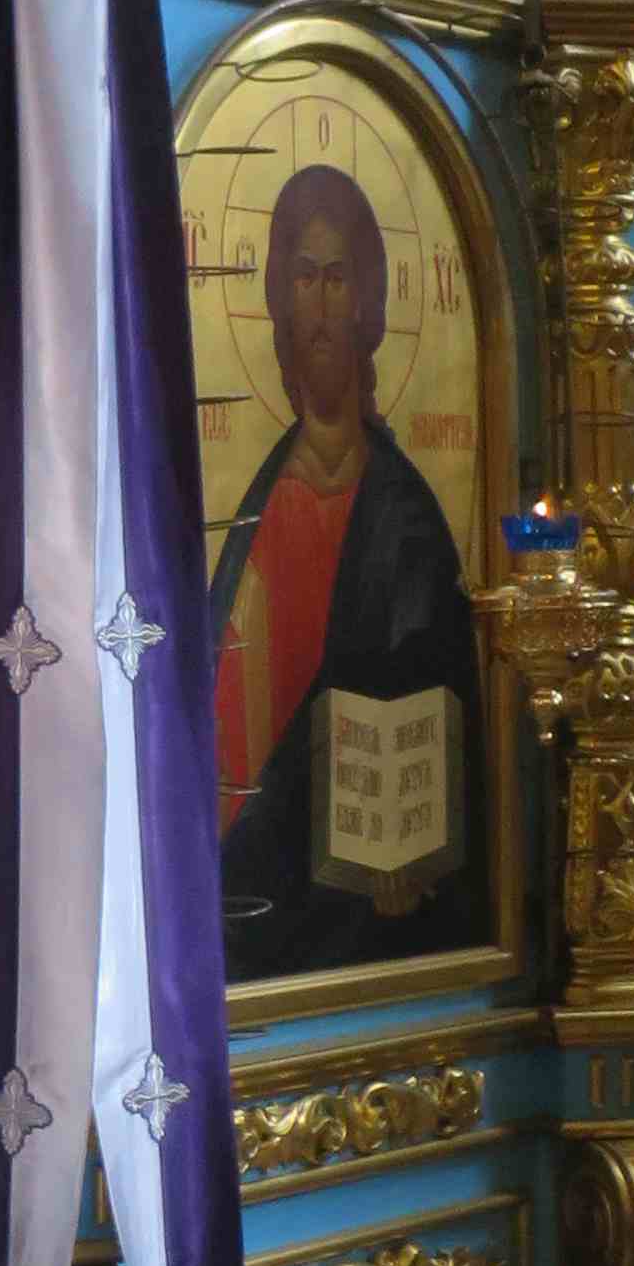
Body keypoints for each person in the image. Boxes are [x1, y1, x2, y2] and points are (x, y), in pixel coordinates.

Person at [210, 164, 485, 980]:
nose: (322, 305)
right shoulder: (259, 498)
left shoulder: (406, 512)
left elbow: (442, 689)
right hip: (255, 877)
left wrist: (417, 842)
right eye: (305, 277)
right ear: (280, 299)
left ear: (367, 303)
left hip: (366, 900)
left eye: (338, 279)